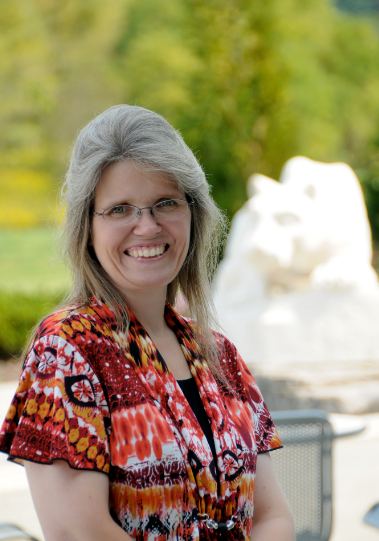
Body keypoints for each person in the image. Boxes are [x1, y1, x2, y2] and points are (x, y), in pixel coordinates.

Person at [0, 105, 295, 541]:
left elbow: (273, 516)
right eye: (120, 209)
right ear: (87, 227)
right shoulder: (67, 350)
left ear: (193, 213)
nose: (147, 226)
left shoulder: (220, 356)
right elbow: (78, 533)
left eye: (165, 203)